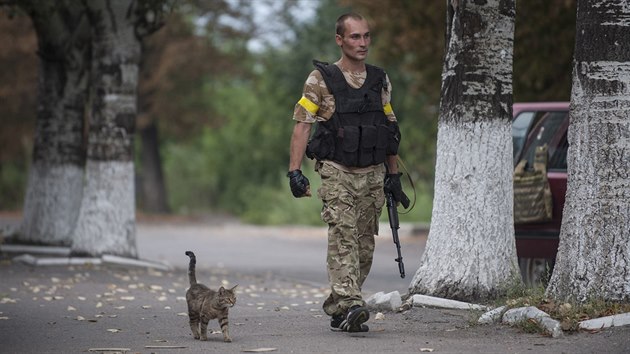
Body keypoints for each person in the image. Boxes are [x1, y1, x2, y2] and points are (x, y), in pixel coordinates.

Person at [287, 12, 408, 333]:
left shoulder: (379, 79)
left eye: (366, 36)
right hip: (337, 171)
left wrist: (393, 176)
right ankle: (354, 303)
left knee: (364, 244)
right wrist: (294, 171)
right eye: (355, 37)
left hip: (372, 173)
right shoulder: (320, 79)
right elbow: (302, 126)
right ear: (339, 40)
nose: (363, 43)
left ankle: (339, 308)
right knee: (343, 237)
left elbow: (389, 129)